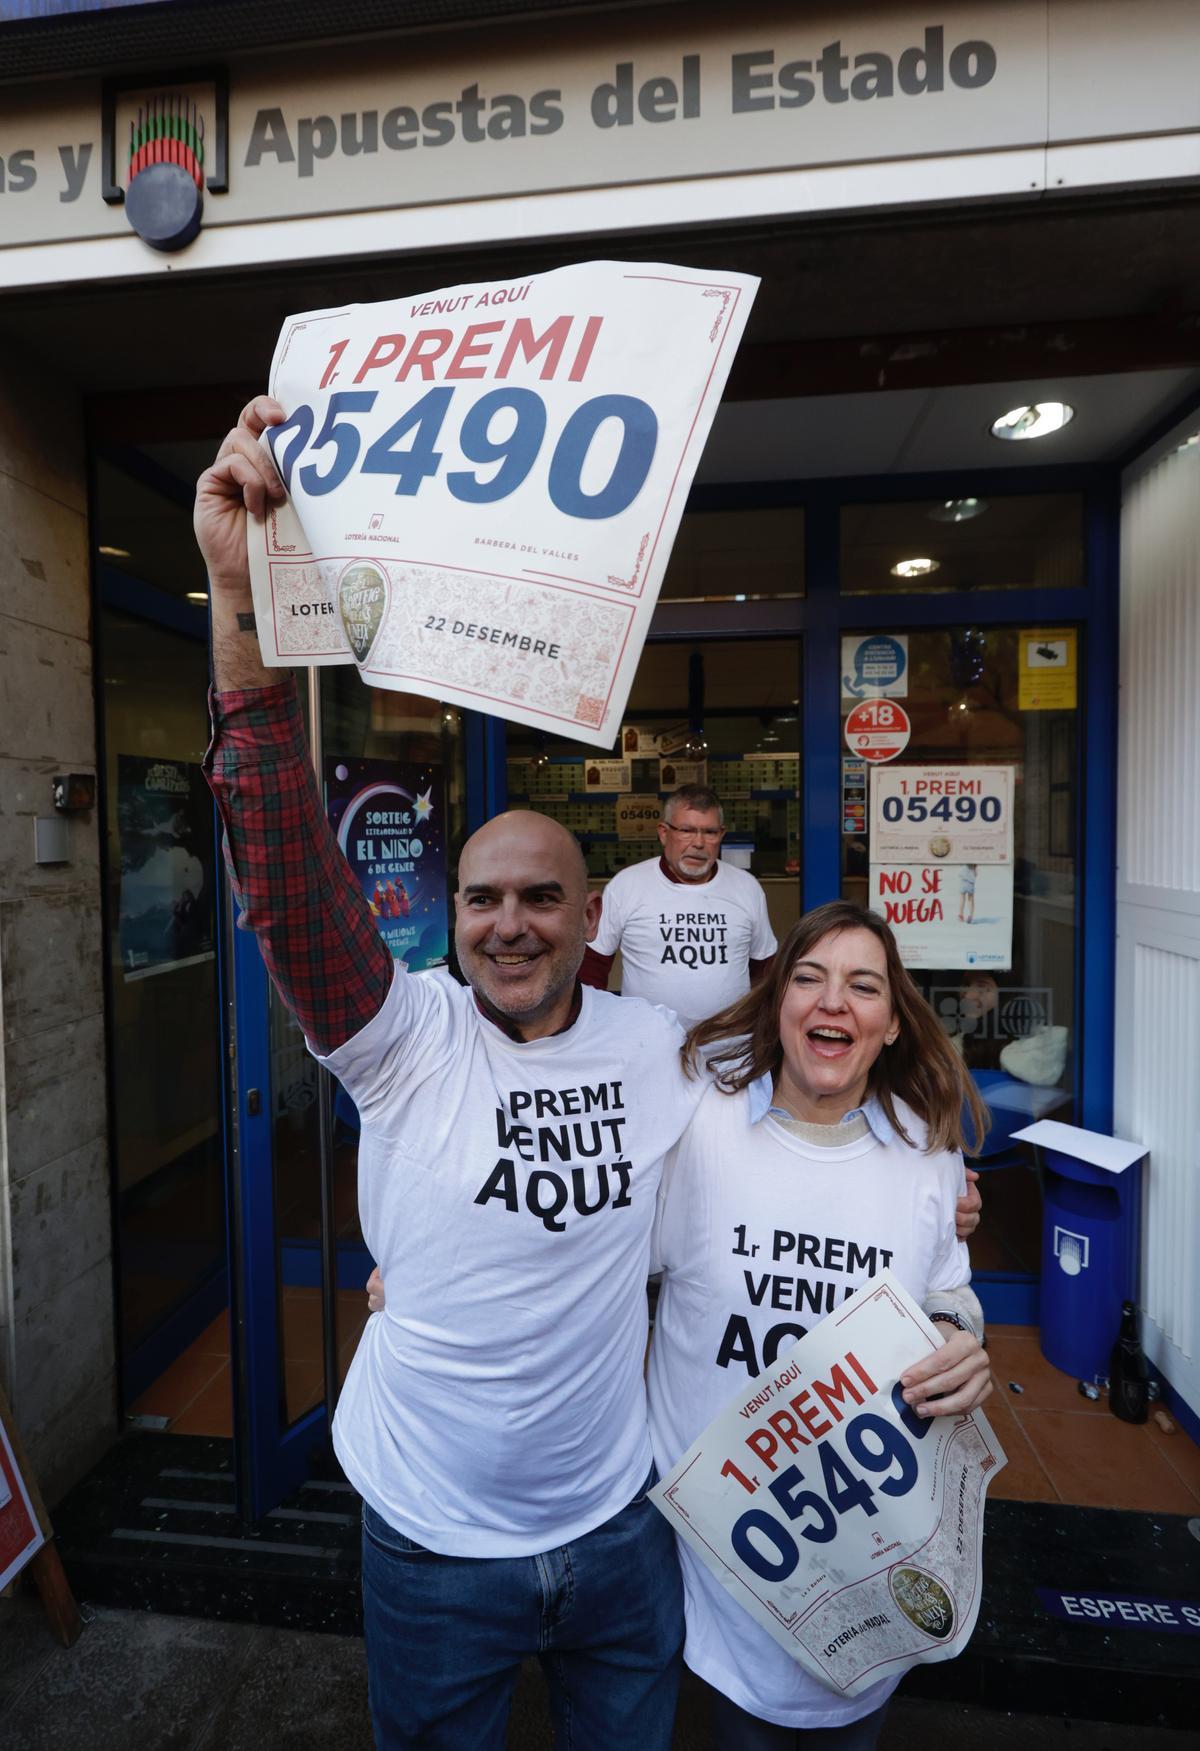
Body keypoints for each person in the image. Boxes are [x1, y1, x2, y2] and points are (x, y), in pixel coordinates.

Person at [197, 397, 981, 1750]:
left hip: (624, 1531)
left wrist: (933, 1185)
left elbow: (807, 1091)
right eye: (486, 896)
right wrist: (237, 598)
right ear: (451, 914)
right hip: (436, 1545)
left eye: (542, 896)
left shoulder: (657, 1053)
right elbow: (281, 864)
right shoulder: (404, 1035)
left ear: (587, 913)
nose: (513, 920)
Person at [647, 900, 993, 1750]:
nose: (833, 1001)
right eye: (809, 977)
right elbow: (598, 1249)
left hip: (857, 1542)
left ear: (892, 1025)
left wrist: (960, 1343)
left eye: (862, 985)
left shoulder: (928, 1150)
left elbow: (950, 1290)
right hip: (714, 1547)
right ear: (778, 1003)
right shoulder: (699, 1122)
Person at [581, 784, 777, 1027]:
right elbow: (592, 968)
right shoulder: (627, 886)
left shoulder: (747, 888)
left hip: (729, 1045)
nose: (698, 843)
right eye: (686, 830)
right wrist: (592, 1030)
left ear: (722, 835)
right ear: (664, 833)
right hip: (648, 1043)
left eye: (710, 832)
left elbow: (765, 970)